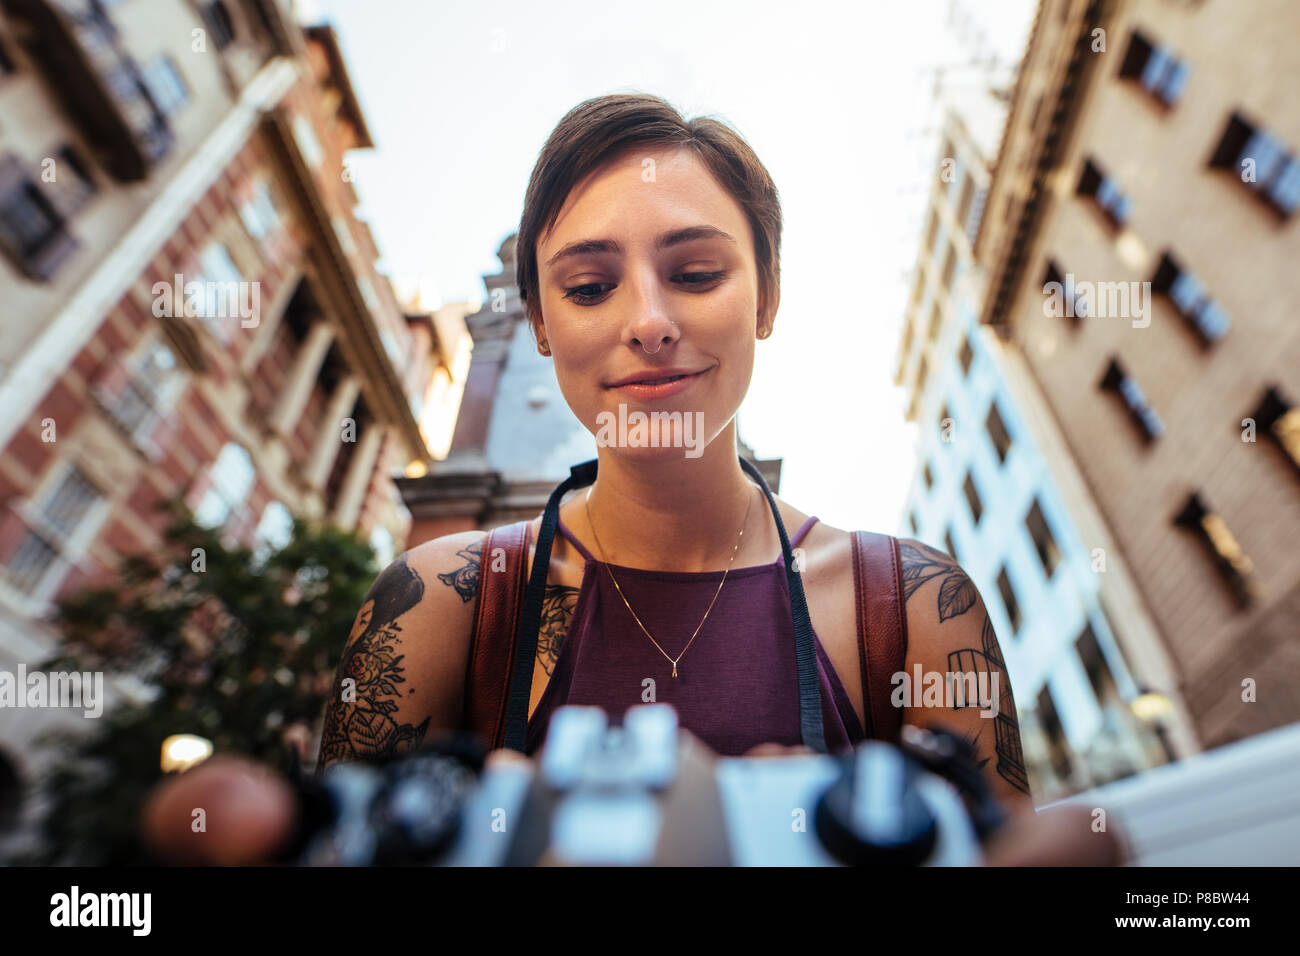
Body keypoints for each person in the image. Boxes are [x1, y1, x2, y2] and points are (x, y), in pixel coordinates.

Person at [140, 93, 1126, 865]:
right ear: (538, 321)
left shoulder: (909, 601)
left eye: (695, 272)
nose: (647, 320)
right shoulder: (440, 599)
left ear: (766, 298)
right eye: (587, 285)